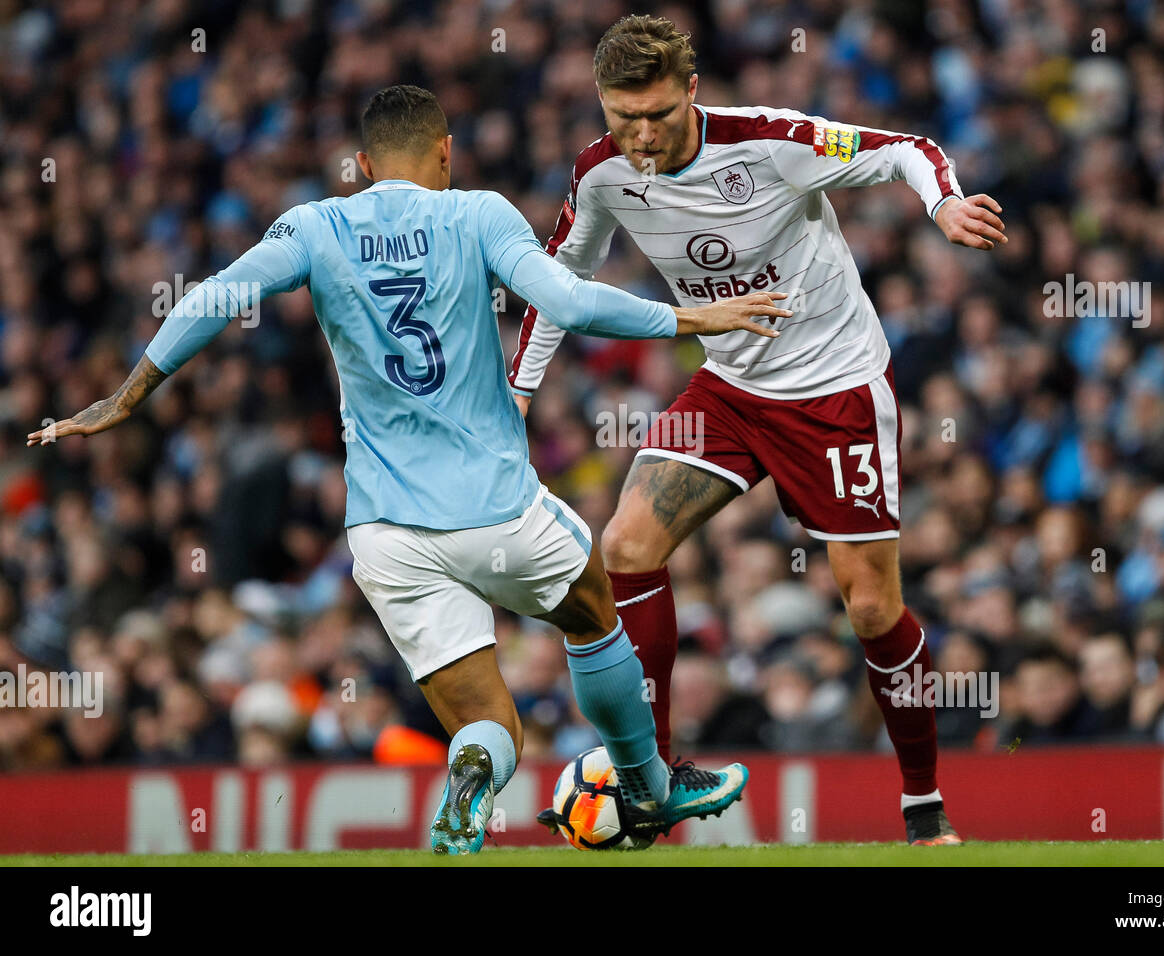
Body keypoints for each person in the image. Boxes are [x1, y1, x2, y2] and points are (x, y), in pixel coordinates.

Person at [29, 84, 791, 855]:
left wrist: (125, 397)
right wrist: (696, 317)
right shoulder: (477, 213)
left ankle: (468, 782)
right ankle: (649, 787)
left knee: (487, 725)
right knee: (594, 617)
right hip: (500, 513)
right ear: (446, 152)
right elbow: (569, 300)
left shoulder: (316, 225)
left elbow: (217, 298)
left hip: (387, 536)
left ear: (360, 164)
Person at [509, 16, 1008, 845]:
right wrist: (518, 394)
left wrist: (944, 204)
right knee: (625, 548)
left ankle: (922, 801)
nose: (640, 135)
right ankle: (654, 780)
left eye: (658, 114)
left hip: (834, 389)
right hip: (732, 388)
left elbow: (904, 146)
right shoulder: (600, 175)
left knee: (873, 607)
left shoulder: (771, 142)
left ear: (693, 92)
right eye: (621, 116)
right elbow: (560, 279)